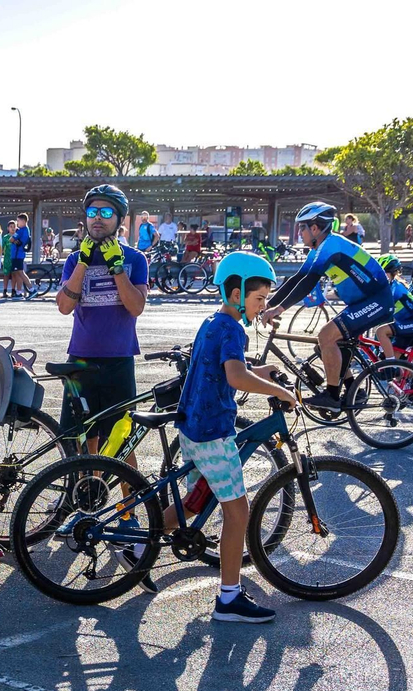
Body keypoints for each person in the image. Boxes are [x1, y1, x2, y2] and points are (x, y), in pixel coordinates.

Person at [177, 252, 299, 622]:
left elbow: (231, 368)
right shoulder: (233, 328)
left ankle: (140, 540)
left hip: (194, 426)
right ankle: (228, 598)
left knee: (195, 503)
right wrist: (278, 392)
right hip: (214, 431)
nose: (262, 306)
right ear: (235, 294)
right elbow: (235, 378)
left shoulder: (213, 322)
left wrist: (262, 369)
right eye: (258, 299)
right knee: (238, 510)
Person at [259, 201, 393, 412]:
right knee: (326, 345)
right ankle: (354, 390)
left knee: (326, 335)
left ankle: (332, 397)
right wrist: (269, 302)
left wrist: (279, 309)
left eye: (301, 228)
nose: (299, 233)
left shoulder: (331, 245)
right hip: (362, 302)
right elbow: (297, 278)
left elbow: (309, 282)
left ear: (314, 228)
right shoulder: (320, 247)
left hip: (377, 300)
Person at [56, 184, 150, 455]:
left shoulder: (135, 259)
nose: (98, 217)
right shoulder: (74, 260)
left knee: (121, 445)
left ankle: (127, 498)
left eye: (106, 212)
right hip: (80, 362)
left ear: (120, 220)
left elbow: (136, 307)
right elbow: (64, 306)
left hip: (118, 362)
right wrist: (84, 263)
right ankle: (86, 496)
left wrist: (117, 267)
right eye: (92, 211)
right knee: (81, 443)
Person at [377, 259, 413, 359]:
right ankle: (402, 368)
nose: (378, 277)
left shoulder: (395, 288)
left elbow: (383, 311)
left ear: (391, 273)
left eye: (382, 273)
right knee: (388, 356)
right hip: (407, 322)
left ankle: (396, 367)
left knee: (381, 332)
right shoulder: (393, 286)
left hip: (412, 322)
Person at [8, 212, 31, 297]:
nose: (17, 223)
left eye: (18, 221)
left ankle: (31, 289)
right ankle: (18, 291)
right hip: (17, 254)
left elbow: (11, 239)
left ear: (24, 221)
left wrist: (14, 239)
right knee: (17, 273)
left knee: (20, 273)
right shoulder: (25, 230)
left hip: (18, 255)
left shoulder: (21, 230)